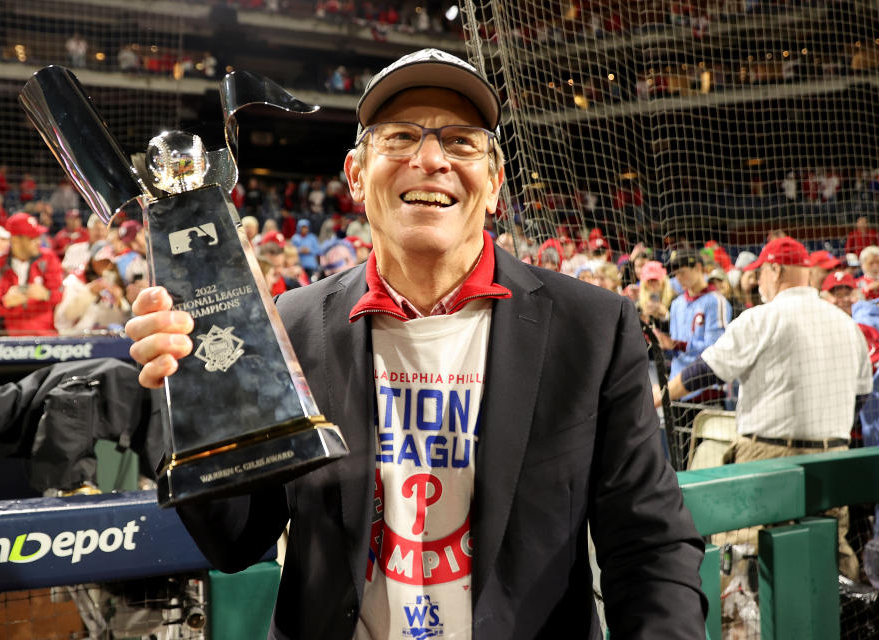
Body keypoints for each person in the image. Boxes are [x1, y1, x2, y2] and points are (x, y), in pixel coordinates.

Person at [125, 48, 706, 638]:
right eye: (400, 137)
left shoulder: (593, 328)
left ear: (495, 182)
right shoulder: (291, 325)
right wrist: (191, 390)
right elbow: (236, 539)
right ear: (355, 173)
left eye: (461, 142)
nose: (430, 159)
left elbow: (649, 547)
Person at [657, 237, 872, 579]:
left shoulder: (762, 318)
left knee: (748, 568)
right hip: (831, 463)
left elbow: (704, 371)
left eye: (761, 273)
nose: (757, 282)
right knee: (827, 570)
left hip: (769, 461)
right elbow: (859, 398)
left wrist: (657, 396)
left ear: (776, 268)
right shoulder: (847, 325)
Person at [656, 248, 731, 403]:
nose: (678, 278)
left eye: (682, 272)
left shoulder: (715, 301)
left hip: (706, 388)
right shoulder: (676, 304)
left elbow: (716, 349)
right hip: (677, 384)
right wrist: (664, 344)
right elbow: (676, 348)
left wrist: (679, 345)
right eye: (675, 275)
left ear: (698, 267)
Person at [0, 212, 63, 335]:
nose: (38, 242)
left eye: (38, 236)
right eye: (32, 238)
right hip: (8, 340)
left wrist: (46, 294)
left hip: (45, 336)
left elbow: (60, 294)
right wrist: (5, 303)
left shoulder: (48, 258)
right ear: (15, 240)